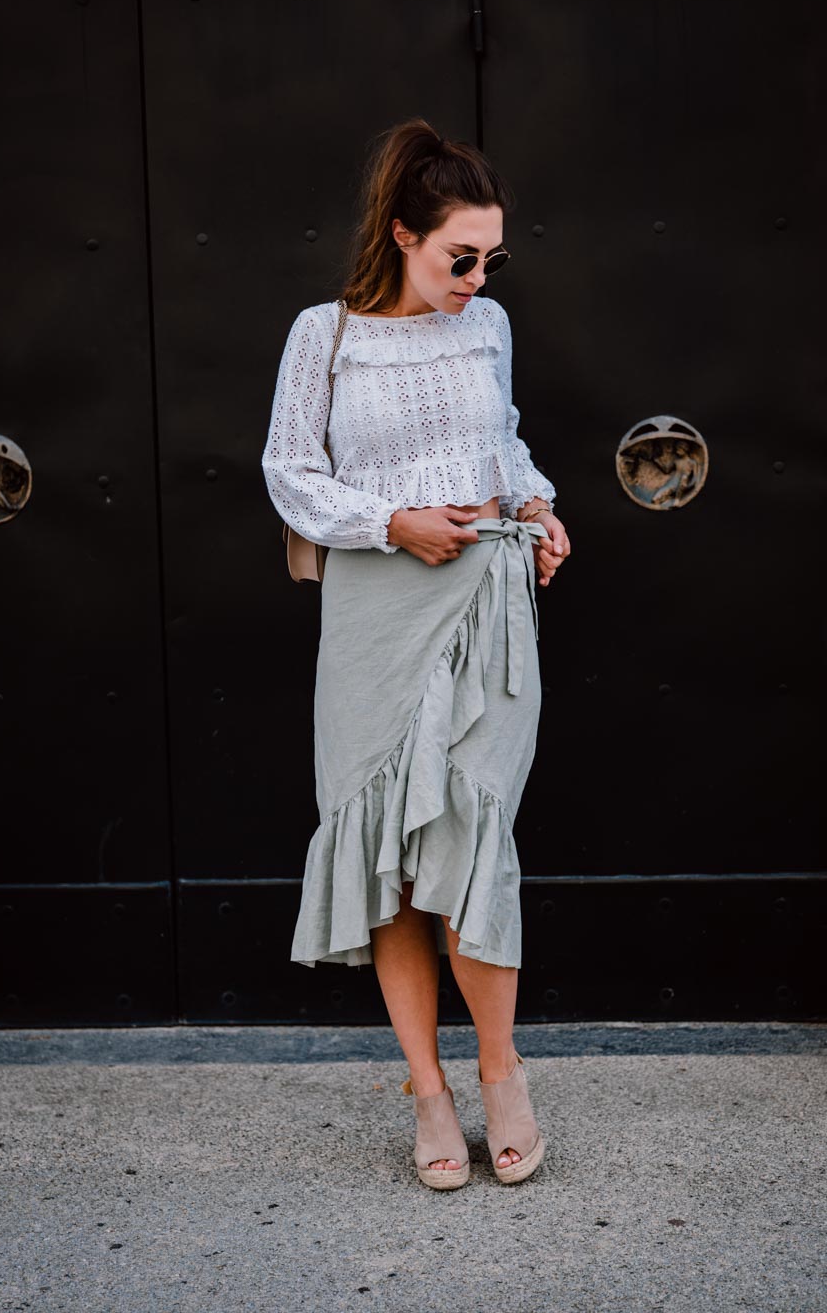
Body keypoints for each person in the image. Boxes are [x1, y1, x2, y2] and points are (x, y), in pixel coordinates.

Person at [262, 118, 571, 1190]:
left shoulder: (487, 328)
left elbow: (505, 434)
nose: (479, 279)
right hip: (377, 611)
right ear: (403, 235)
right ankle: (428, 1091)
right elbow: (291, 474)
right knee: (391, 860)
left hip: (486, 597)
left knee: (475, 833)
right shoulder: (327, 337)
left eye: (492, 258)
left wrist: (536, 501)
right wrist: (395, 522)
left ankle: (501, 1073)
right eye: (460, 257)